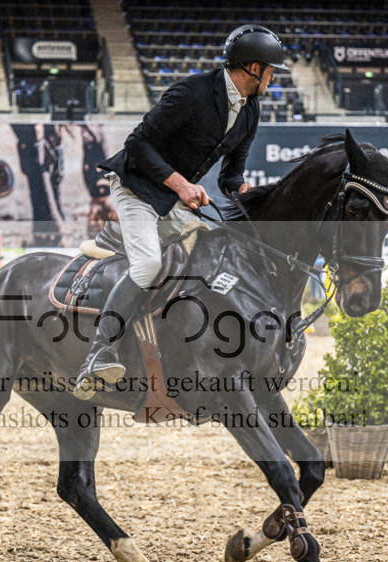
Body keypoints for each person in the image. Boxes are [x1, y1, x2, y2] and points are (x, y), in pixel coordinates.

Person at [73, 24, 289, 400]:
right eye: (271, 70)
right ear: (253, 68)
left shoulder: (250, 111)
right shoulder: (193, 92)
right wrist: (182, 185)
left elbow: (230, 176)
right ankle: (99, 352)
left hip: (171, 198)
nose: (274, 78)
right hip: (136, 187)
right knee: (147, 266)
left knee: (212, 251)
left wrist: (244, 190)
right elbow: (137, 143)